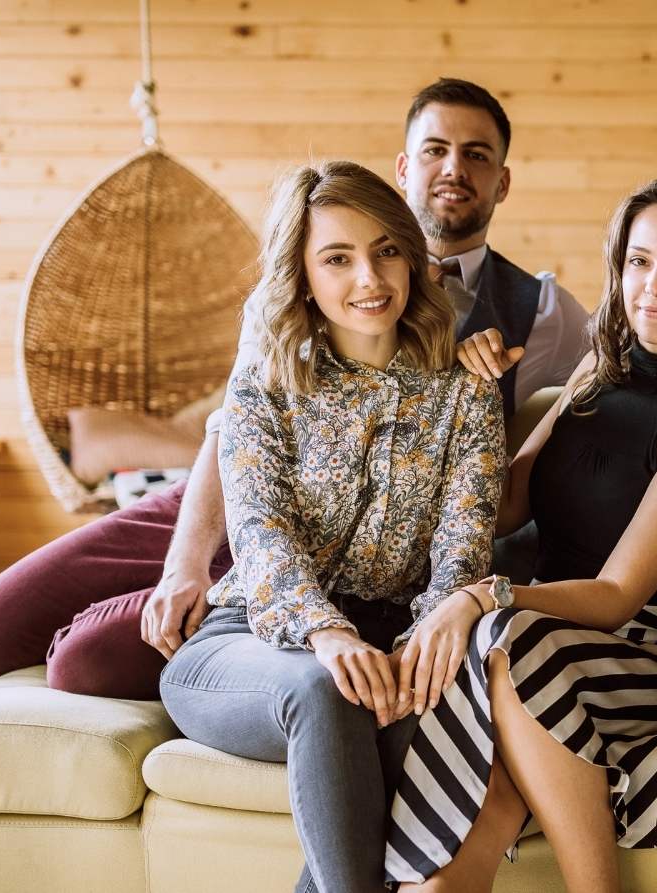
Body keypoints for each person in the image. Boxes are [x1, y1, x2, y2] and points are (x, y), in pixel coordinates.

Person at [0, 78, 591, 701]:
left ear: (502, 182)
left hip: (352, 563)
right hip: (223, 499)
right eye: (435, 150)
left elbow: (610, 369)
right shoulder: (306, 262)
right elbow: (234, 429)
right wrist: (186, 561)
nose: (453, 169)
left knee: (85, 659)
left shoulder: (543, 313)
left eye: (476, 156)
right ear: (402, 168)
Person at [384, 176, 657, 892]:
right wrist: (462, 391)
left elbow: (619, 595)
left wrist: (484, 597)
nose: (654, 284)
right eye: (638, 260)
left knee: (499, 643)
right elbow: (502, 507)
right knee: (482, 806)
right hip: (541, 641)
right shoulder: (595, 370)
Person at [156, 160, 503, 893]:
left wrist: (416, 654)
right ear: (303, 274)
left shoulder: (467, 395)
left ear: (413, 257)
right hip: (247, 643)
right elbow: (258, 534)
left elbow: (461, 551)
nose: (369, 277)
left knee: (428, 715)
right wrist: (326, 632)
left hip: (391, 651)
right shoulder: (264, 384)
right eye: (337, 258)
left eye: (385, 250)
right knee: (327, 688)